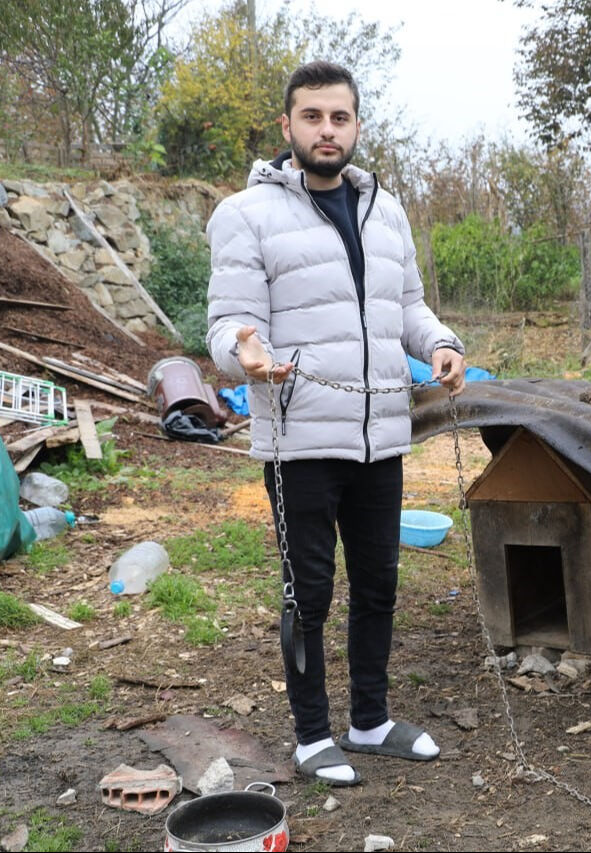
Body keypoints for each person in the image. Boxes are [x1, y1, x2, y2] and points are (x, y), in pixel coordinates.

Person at [205, 60, 466, 786]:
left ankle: (370, 720)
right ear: (287, 126)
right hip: (300, 439)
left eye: (340, 117)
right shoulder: (245, 214)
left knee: (379, 583)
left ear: (355, 125)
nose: (327, 130)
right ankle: (313, 733)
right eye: (312, 117)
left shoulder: (387, 209)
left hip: (381, 432)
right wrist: (244, 353)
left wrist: (440, 344)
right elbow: (229, 324)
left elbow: (408, 308)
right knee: (308, 591)